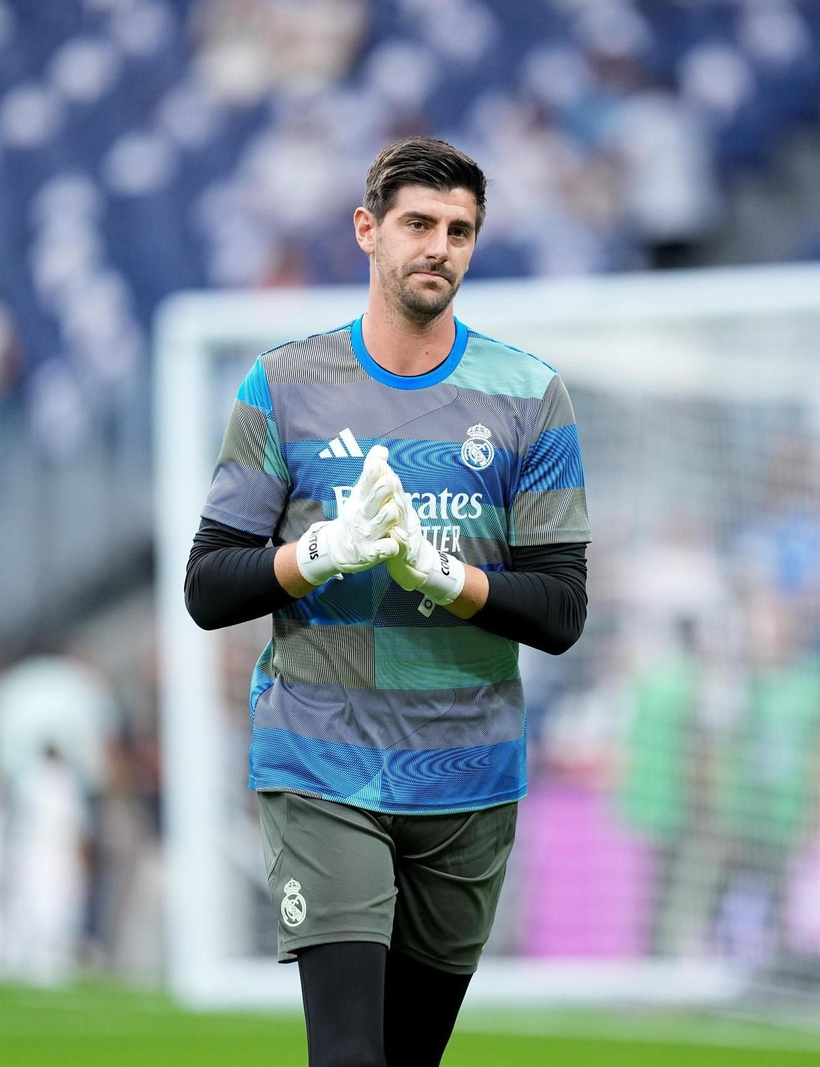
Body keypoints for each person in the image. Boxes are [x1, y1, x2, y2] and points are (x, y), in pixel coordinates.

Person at [184, 136, 591, 1067]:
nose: (438, 247)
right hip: (323, 759)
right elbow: (209, 586)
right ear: (368, 231)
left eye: (459, 230)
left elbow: (562, 609)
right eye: (418, 223)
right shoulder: (282, 386)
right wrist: (319, 553)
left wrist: (447, 577)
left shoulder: (530, 396)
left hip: (468, 774)